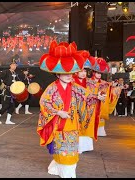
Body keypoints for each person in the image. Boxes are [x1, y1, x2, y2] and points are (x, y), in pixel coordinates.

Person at [37, 41, 88, 178]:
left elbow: (86, 96)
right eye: (65, 73)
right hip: (59, 125)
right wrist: (58, 112)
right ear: (57, 74)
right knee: (63, 152)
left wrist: (97, 97)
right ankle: (65, 173)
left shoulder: (75, 87)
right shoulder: (52, 88)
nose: (69, 75)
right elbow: (44, 102)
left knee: (72, 152)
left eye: (71, 73)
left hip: (73, 124)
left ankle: (64, 172)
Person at [0, 59, 21, 125]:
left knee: (12, 107)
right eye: (13, 65)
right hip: (6, 91)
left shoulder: (15, 73)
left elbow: (18, 81)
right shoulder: (6, 72)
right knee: (5, 106)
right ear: (10, 65)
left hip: (12, 92)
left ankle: (7, 120)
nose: (14, 66)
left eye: (15, 65)